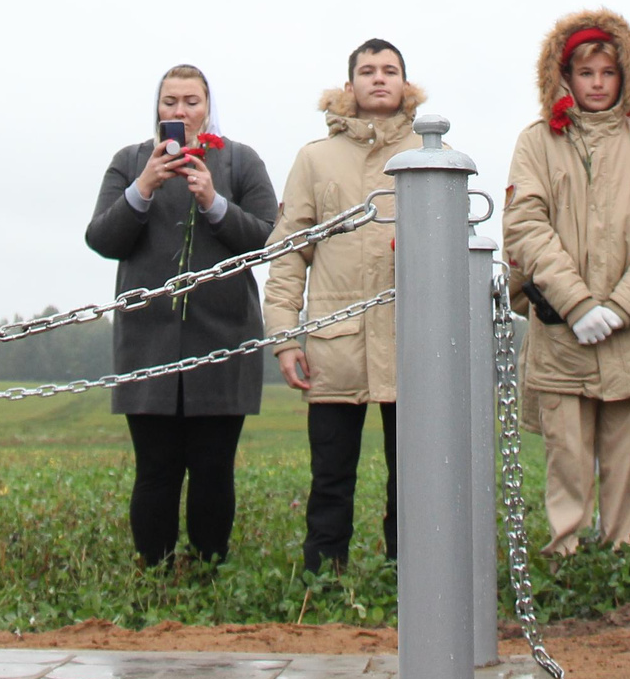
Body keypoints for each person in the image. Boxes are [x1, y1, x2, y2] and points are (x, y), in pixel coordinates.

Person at [502, 10, 630, 555]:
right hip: (562, 333)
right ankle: (565, 553)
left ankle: (621, 552)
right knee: (567, 457)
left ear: (626, 76)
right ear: (564, 78)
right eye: (586, 74)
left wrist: (622, 307)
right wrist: (578, 305)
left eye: (608, 72)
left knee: (624, 457)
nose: (598, 83)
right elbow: (525, 226)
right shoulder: (536, 143)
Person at [84, 64, 280, 567]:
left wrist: (214, 202)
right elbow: (102, 239)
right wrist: (143, 189)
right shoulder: (130, 162)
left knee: (214, 468)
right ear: (157, 109)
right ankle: (154, 571)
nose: (180, 111)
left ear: (208, 107)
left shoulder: (239, 161)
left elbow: (267, 239)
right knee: (156, 468)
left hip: (224, 340)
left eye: (191, 101)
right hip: (147, 342)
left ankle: (209, 571)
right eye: (170, 102)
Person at [262, 39, 417, 573]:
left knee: (415, 476)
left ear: (405, 83)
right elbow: (288, 254)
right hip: (335, 343)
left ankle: (413, 579)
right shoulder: (315, 158)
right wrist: (285, 338)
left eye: (390, 70)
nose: (379, 79)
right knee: (330, 476)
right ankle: (323, 580)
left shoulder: (430, 155)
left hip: (411, 343)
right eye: (368, 71)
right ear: (349, 86)